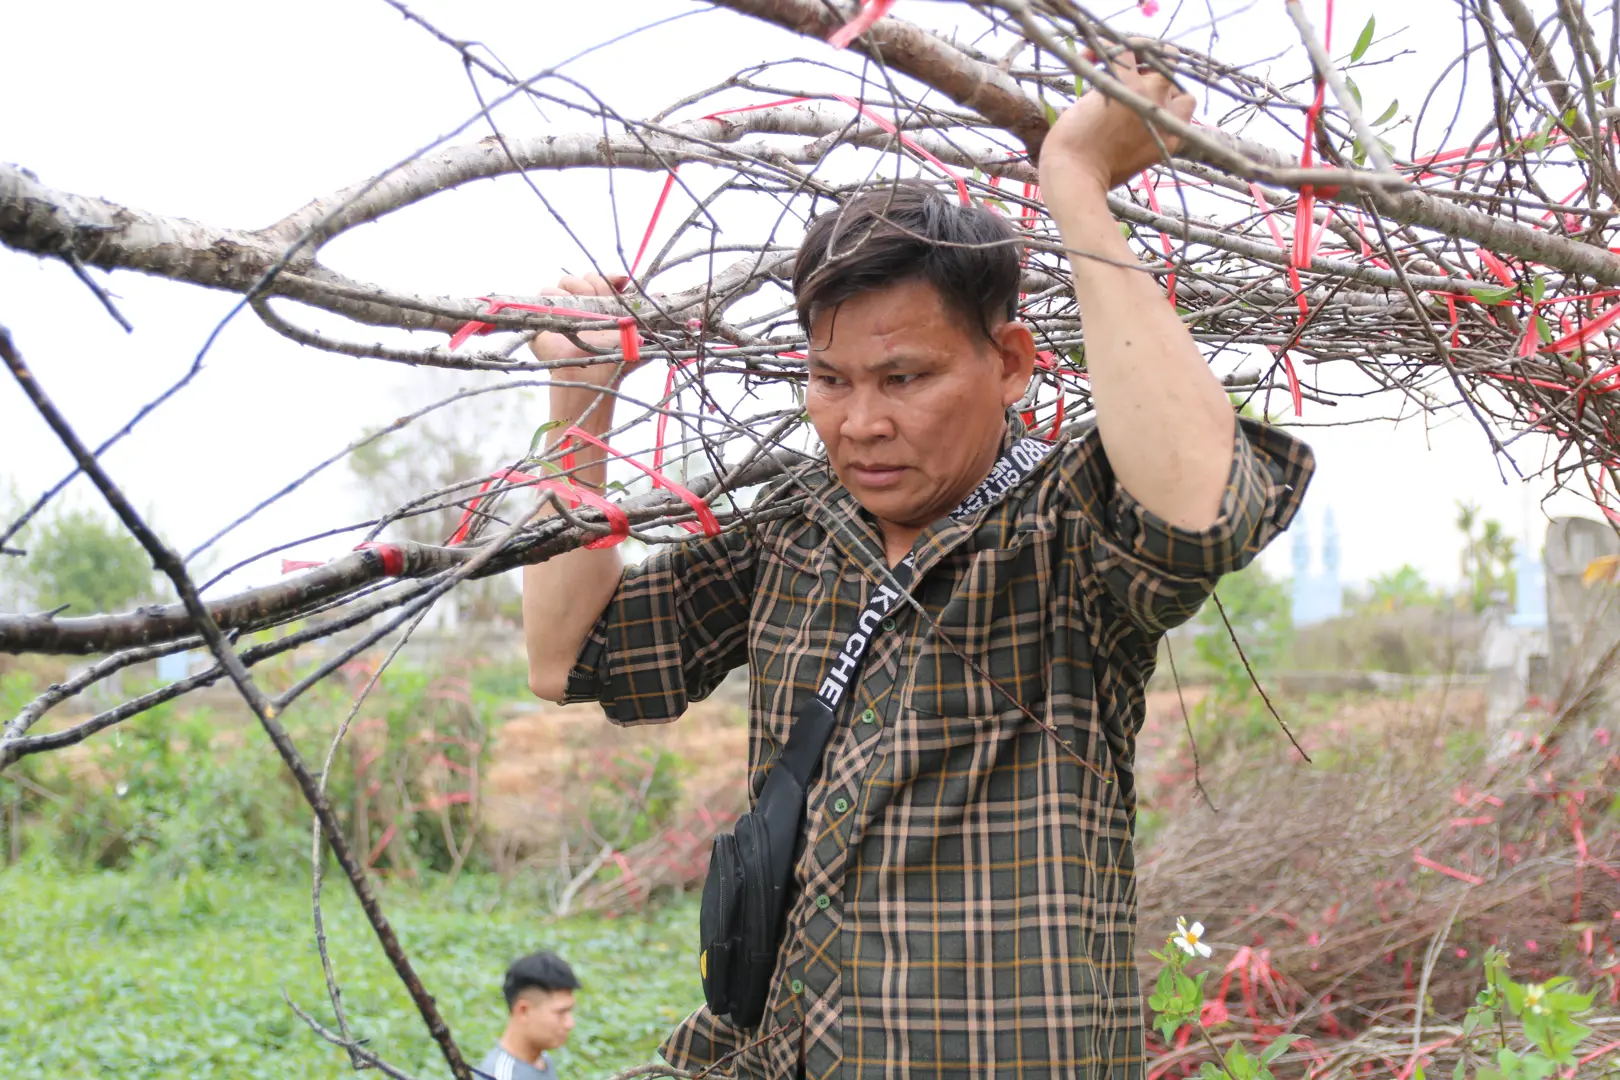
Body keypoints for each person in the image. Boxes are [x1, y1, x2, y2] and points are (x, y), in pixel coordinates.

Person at [521, 46, 1313, 1080]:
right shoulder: (801, 523)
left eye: (906, 376)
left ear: (1013, 364)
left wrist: (1074, 182)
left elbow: (1202, 512)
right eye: (830, 379)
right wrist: (581, 404)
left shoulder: (1064, 527)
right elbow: (568, 656)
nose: (861, 423)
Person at [478, 950, 579, 1080]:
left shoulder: (541, 1060)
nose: (570, 1023)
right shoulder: (501, 1076)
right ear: (523, 1011)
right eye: (561, 1013)